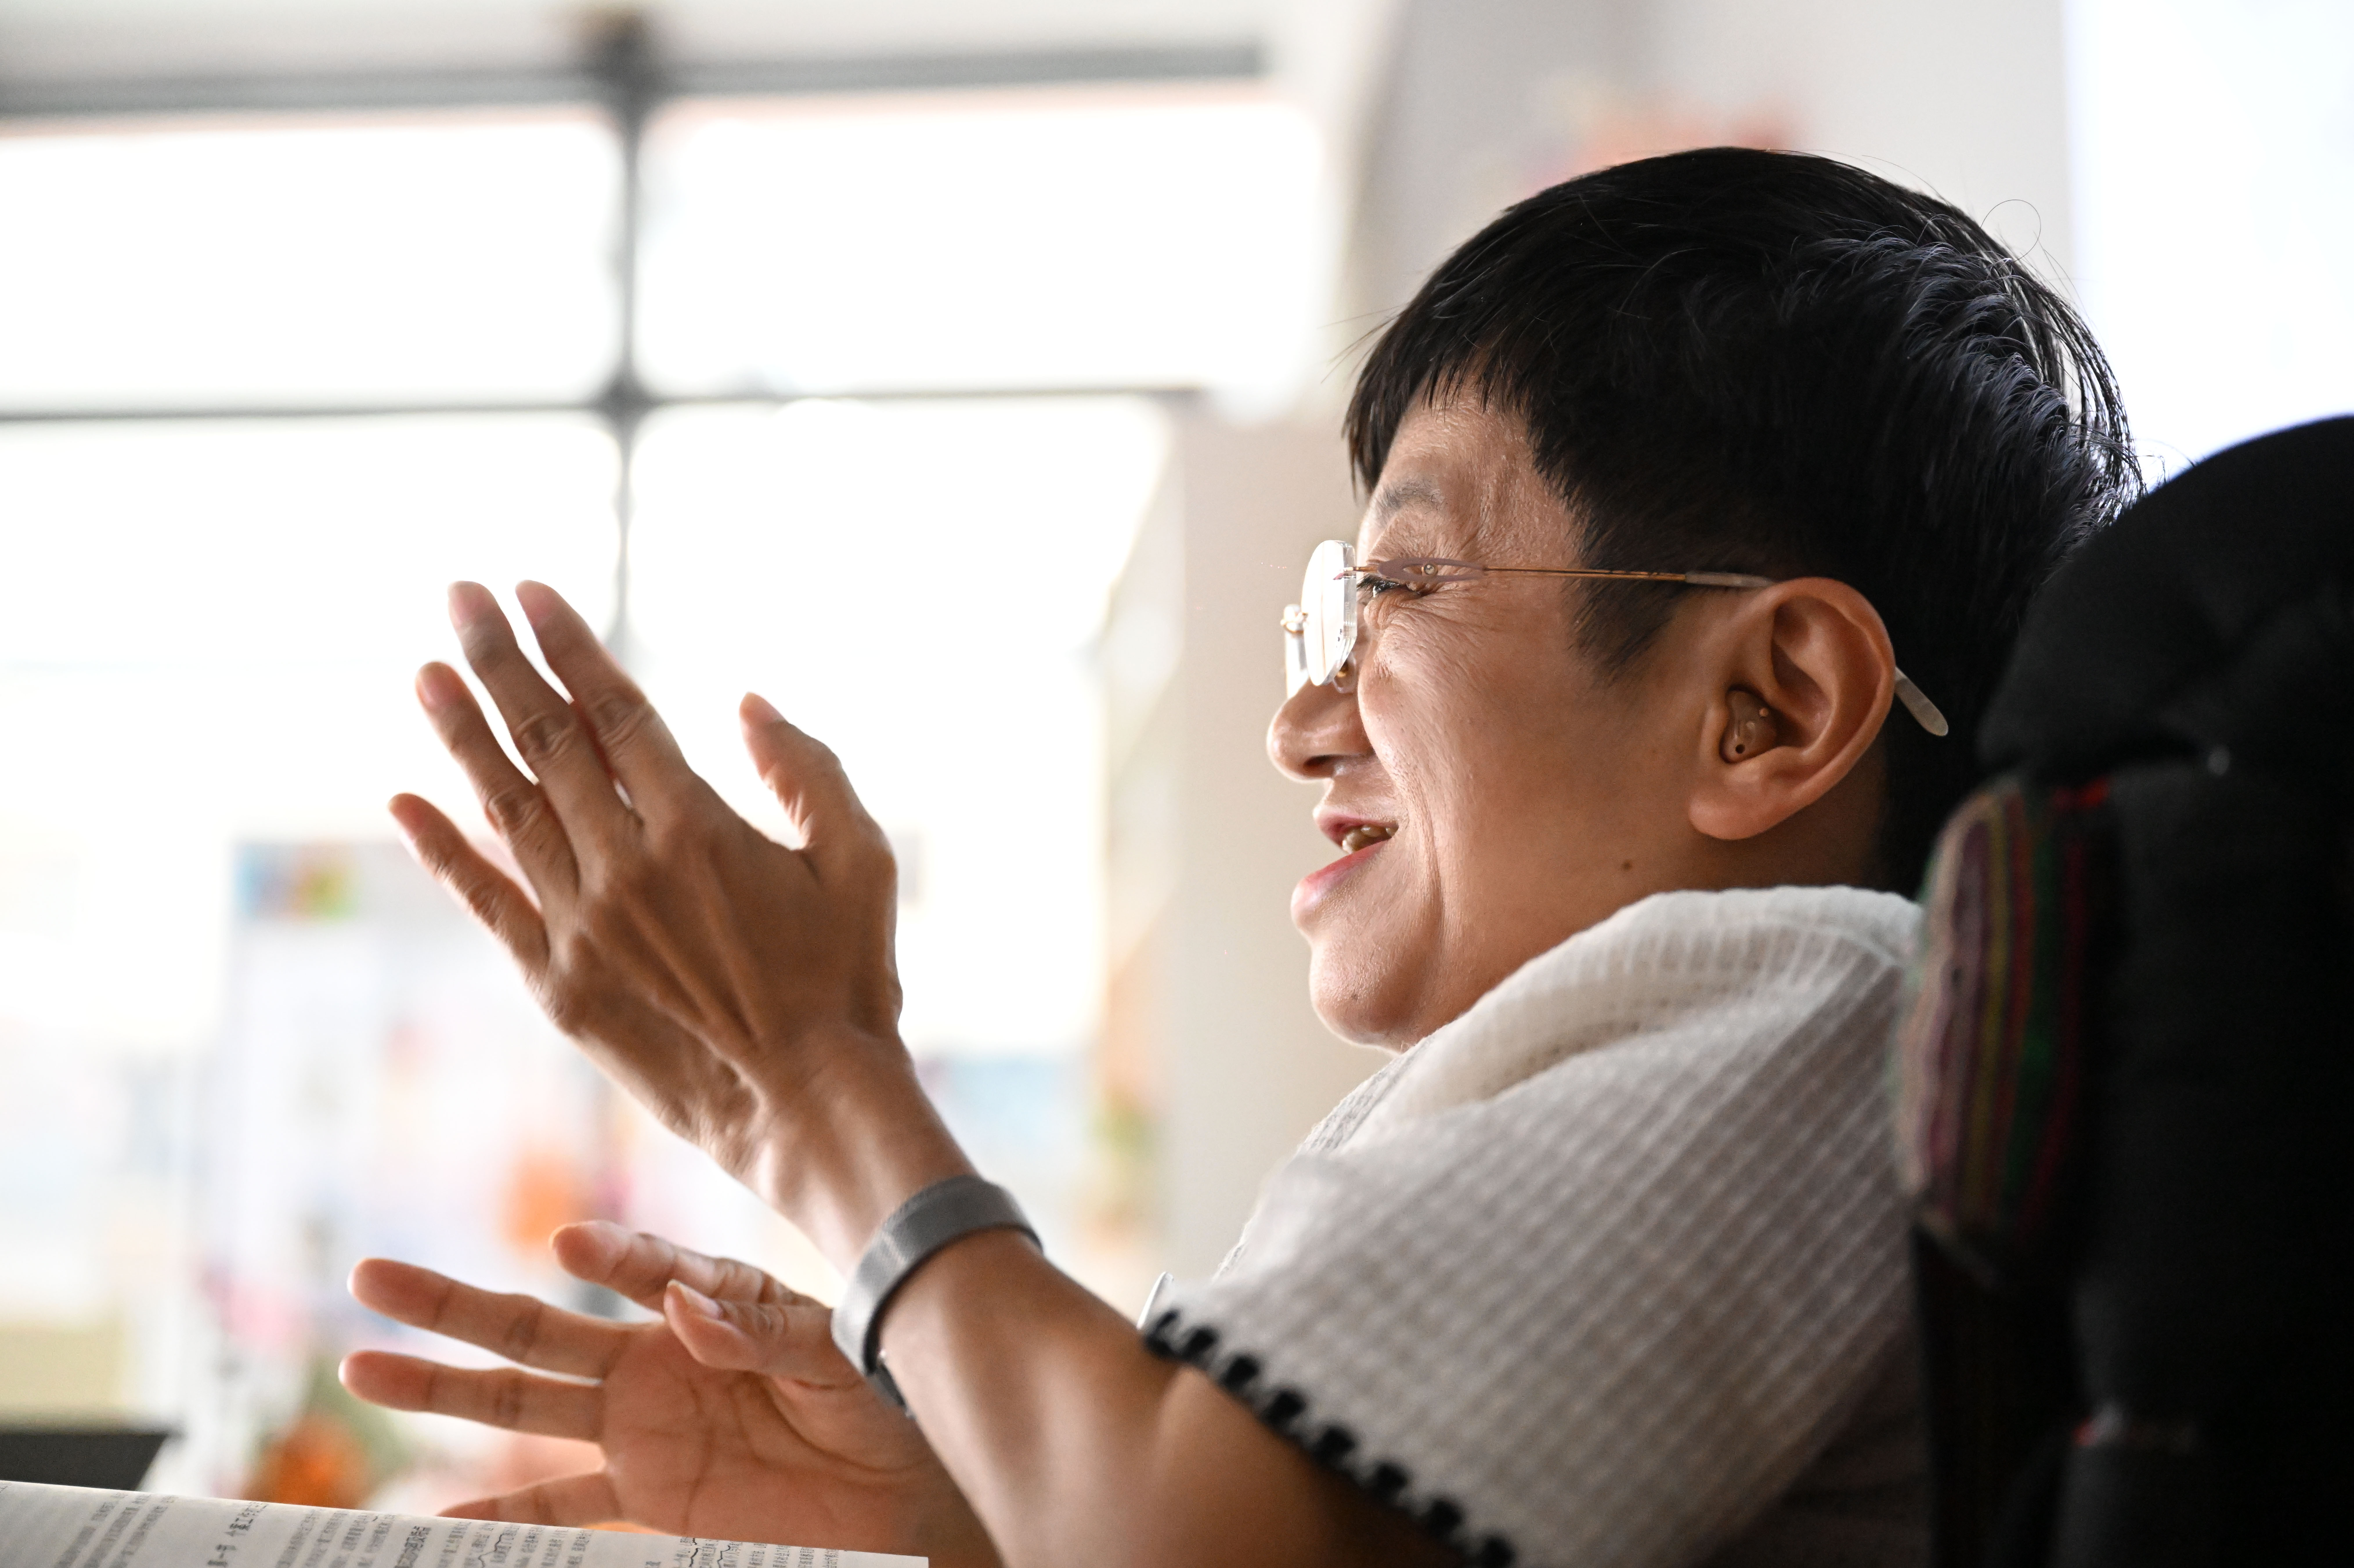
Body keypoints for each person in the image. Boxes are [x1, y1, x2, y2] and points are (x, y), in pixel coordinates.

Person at [339, 147, 2134, 1568]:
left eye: (1400, 593)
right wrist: (954, 1497)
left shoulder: (1819, 992)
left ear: (1766, 707)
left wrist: (819, 1087)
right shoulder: (1746, 1047)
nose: (1302, 725)